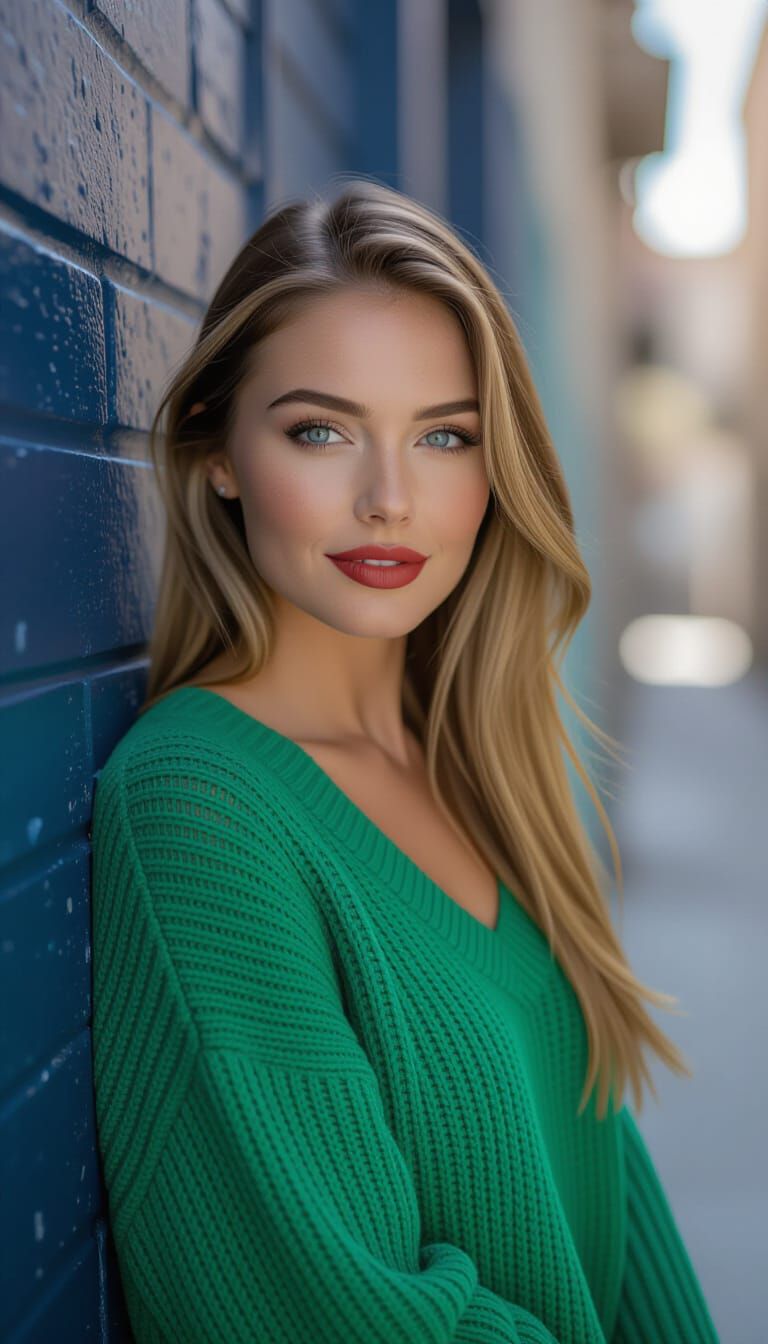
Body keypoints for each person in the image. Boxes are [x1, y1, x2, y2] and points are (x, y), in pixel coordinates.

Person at [90, 178, 719, 1343]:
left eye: (443, 437)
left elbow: (606, 1196)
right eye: (320, 431)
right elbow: (334, 1307)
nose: (389, 500)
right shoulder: (200, 804)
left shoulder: (477, 766)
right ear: (218, 451)